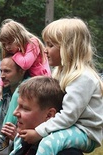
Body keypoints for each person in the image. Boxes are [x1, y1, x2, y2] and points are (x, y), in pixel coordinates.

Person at [19, 17, 103, 154]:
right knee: (22, 137)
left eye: (50, 45)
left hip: (85, 132)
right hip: (69, 126)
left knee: (47, 143)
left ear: (69, 48)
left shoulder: (83, 77)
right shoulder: (60, 73)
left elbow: (68, 116)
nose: (45, 50)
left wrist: (39, 132)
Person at [0, 19, 51, 152]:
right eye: (4, 44)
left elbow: (25, 64)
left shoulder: (32, 43)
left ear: (18, 37)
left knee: (20, 91)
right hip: (27, 78)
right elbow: (7, 75)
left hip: (39, 80)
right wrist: (0, 86)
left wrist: (15, 55)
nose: (7, 47)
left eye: (9, 43)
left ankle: (5, 132)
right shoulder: (17, 51)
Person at [10, 76, 83, 155]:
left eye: (25, 108)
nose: (15, 113)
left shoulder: (66, 153)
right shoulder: (26, 142)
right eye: (18, 106)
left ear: (49, 115)